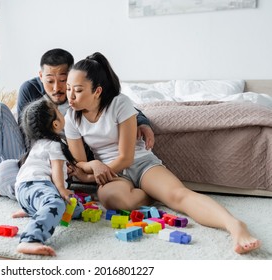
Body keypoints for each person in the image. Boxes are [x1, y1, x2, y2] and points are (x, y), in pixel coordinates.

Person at [64, 52, 261, 254]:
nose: (70, 96)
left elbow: (126, 157)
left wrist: (91, 175)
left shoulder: (119, 103)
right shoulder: (71, 117)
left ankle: (234, 225)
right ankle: (153, 193)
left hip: (139, 163)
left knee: (179, 196)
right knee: (111, 200)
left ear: (97, 91)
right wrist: (94, 166)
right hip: (113, 174)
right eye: (68, 88)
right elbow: (79, 161)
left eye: (77, 90)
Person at [0, 48, 154, 200]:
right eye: (49, 80)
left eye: (64, 80)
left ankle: (37, 192)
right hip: (33, 154)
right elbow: (27, 132)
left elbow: (117, 105)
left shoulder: (81, 98)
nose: (57, 88)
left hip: (66, 162)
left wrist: (142, 121)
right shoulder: (30, 90)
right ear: (41, 77)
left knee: (4, 176)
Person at [12, 98, 84, 256]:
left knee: (77, 208)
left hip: (24, 190)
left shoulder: (38, 144)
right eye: (59, 112)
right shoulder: (54, 144)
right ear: (56, 124)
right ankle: (30, 239)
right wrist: (61, 189)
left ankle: (33, 209)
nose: (62, 113)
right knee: (56, 203)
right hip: (37, 185)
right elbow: (57, 170)